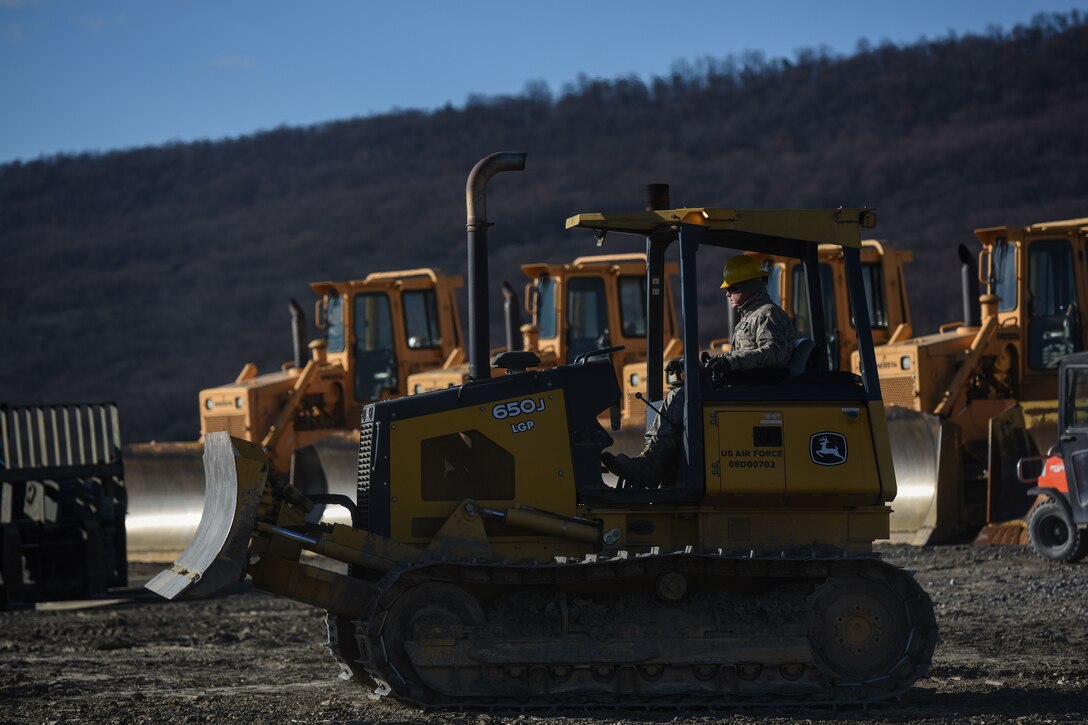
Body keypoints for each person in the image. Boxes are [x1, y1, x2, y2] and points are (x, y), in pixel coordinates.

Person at [603, 254, 795, 486]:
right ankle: (660, 463)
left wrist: (730, 363)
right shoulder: (751, 317)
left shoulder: (767, 314)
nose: (727, 294)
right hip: (743, 383)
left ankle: (652, 464)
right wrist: (695, 363)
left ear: (749, 286)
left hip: (751, 389)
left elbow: (773, 353)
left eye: (732, 288)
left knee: (680, 395)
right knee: (680, 391)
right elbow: (739, 356)